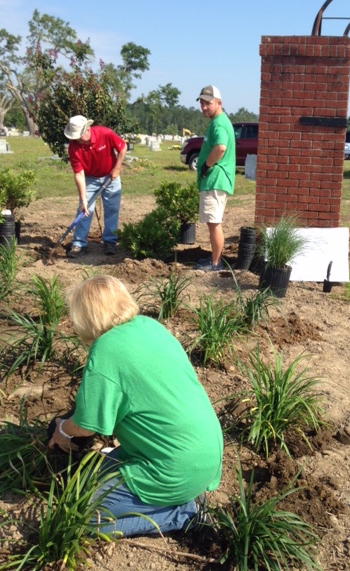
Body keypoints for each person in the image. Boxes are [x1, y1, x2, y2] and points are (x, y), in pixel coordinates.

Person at [48, 274, 223, 537]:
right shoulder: (148, 326)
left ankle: (184, 513)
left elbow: (84, 427)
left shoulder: (105, 350)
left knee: (80, 517)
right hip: (205, 453)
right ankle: (176, 496)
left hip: (174, 468)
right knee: (87, 480)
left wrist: (62, 430)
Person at [64, 115, 127, 258]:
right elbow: (79, 175)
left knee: (112, 209)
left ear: (87, 129)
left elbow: (123, 148)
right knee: (85, 210)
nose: (77, 140)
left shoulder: (105, 133)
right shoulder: (74, 147)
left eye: (79, 136)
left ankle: (110, 241)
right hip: (89, 179)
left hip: (110, 176)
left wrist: (117, 168)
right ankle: (79, 243)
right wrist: (83, 199)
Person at [196, 85, 236, 272]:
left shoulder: (219, 122)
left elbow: (220, 147)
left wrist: (206, 165)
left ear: (219, 103)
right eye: (202, 103)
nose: (204, 107)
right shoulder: (219, 121)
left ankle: (215, 264)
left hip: (215, 179)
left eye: (208, 103)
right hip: (215, 180)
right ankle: (214, 260)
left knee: (214, 223)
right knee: (213, 222)